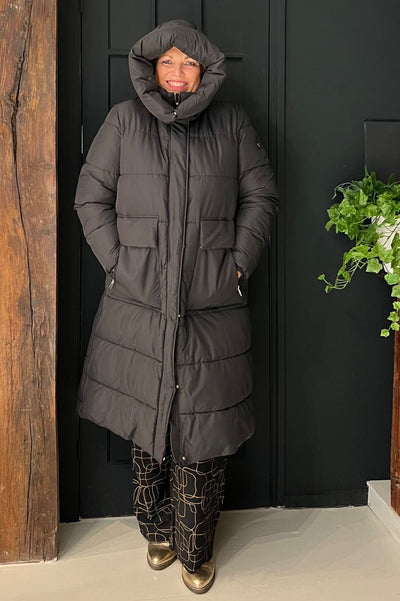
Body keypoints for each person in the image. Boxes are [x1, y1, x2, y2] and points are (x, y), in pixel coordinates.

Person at [74, 18, 278, 594]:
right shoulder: (123, 121)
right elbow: (91, 197)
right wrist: (120, 263)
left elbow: (260, 195)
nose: (179, 73)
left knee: (203, 431)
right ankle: (158, 530)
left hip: (212, 305)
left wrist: (237, 264)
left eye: (190, 62)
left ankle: (195, 548)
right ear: (150, 67)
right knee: (148, 420)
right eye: (168, 61)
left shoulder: (232, 123)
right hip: (138, 303)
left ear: (206, 69)